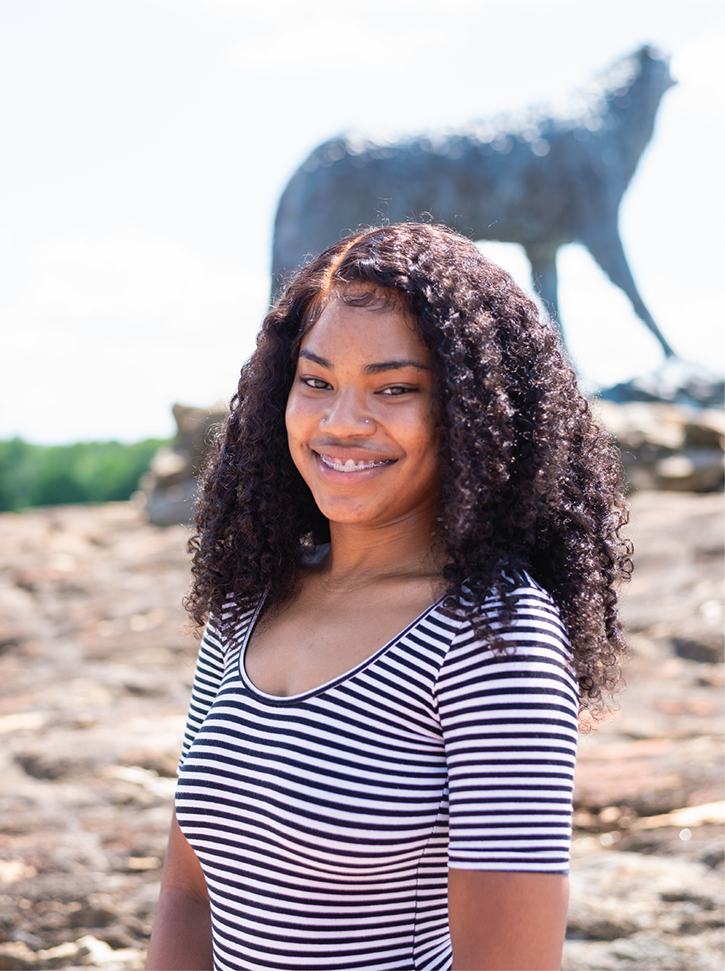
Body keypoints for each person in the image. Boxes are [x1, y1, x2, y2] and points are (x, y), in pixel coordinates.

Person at [146, 223, 631, 971]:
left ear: (478, 415)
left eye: (395, 388)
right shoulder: (248, 602)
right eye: (316, 381)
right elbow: (191, 895)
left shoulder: (494, 634)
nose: (341, 422)